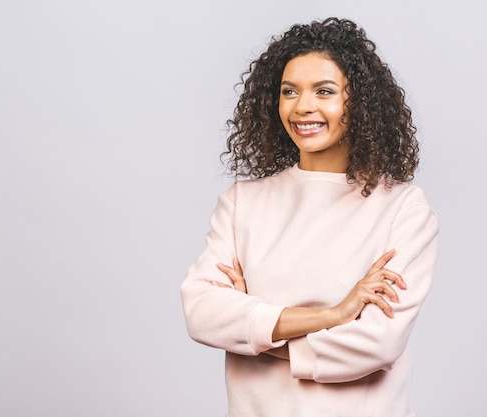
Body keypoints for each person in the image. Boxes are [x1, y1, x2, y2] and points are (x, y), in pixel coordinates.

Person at [180, 17, 438, 417]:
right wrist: (334, 314)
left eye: (325, 91)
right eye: (289, 91)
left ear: (360, 102)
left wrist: (255, 328)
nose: (303, 106)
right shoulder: (241, 204)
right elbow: (201, 312)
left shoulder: (403, 207)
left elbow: (377, 343)